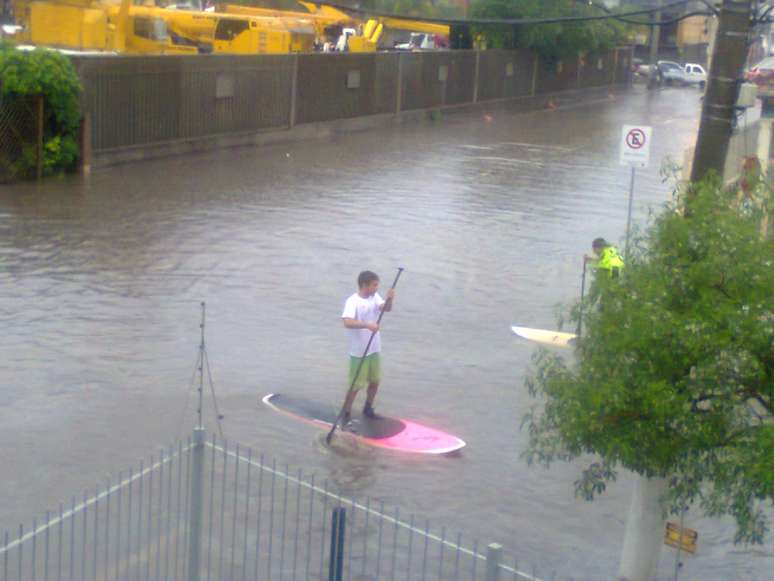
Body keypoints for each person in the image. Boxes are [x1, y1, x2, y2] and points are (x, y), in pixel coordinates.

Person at [340, 270, 395, 426]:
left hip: (374, 348)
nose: (377, 288)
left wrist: (390, 300)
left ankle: (368, 409)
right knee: (356, 385)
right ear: (364, 285)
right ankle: (346, 412)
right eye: (374, 285)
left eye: (377, 285)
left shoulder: (374, 297)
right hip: (359, 352)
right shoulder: (353, 301)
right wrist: (367, 325)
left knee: (375, 381)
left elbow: (386, 309)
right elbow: (347, 322)